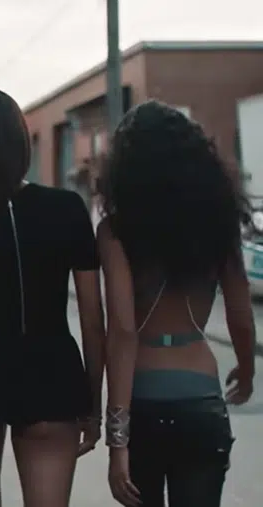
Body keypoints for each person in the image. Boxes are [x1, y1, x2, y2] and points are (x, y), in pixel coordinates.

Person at [0, 89, 106, 507]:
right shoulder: (68, 210)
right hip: (54, 378)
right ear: (21, 144)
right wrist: (93, 402)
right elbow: (92, 319)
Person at [98, 100, 255, 507]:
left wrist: (118, 441)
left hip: (143, 404)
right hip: (201, 398)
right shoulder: (218, 221)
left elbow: (122, 331)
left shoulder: (115, 232)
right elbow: (240, 311)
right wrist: (247, 367)